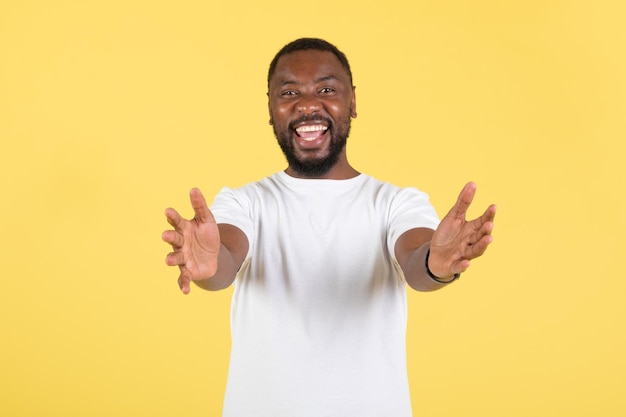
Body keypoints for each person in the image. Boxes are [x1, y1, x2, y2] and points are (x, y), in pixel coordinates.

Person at [162, 38, 496, 417]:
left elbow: (417, 259)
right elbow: (224, 258)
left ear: (352, 102)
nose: (307, 105)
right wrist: (208, 266)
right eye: (289, 92)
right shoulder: (244, 202)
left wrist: (436, 264)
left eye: (326, 89)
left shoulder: (395, 203)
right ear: (270, 109)